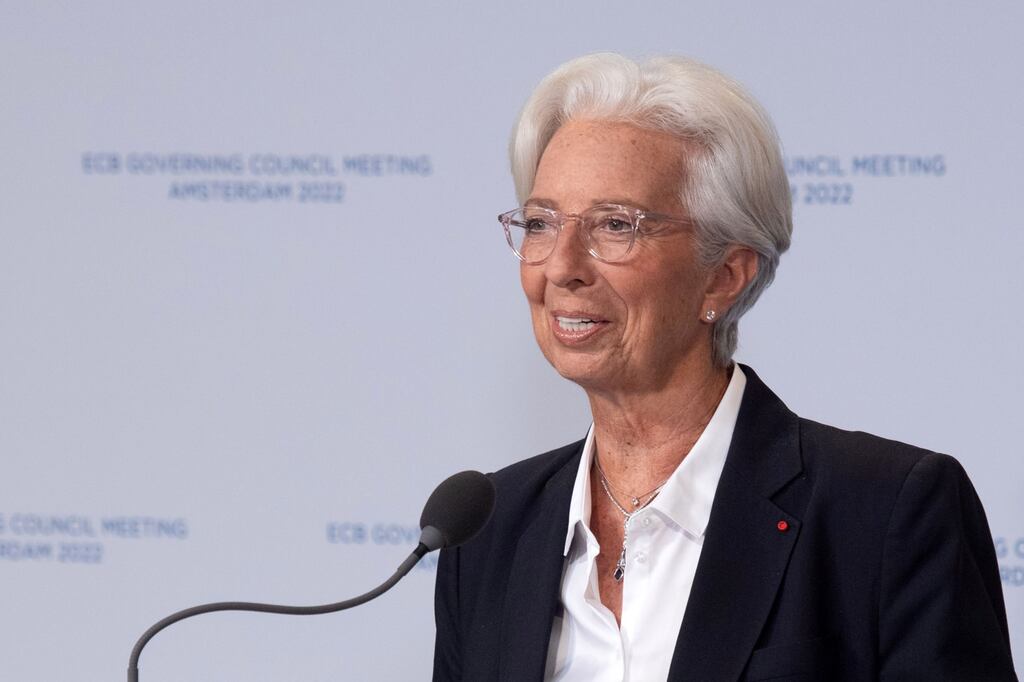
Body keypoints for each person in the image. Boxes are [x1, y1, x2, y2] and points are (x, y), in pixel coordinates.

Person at [432, 53, 1016, 681]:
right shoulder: (490, 532)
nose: (562, 266)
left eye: (615, 225)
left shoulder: (884, 513)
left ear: (724, 277)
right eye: (542, 223)